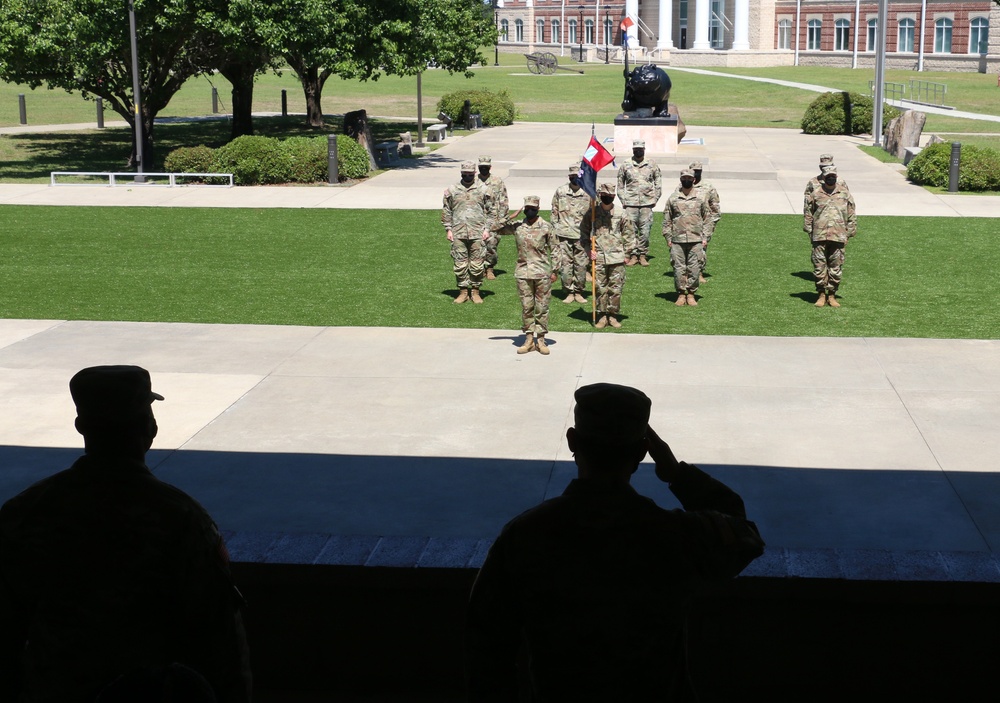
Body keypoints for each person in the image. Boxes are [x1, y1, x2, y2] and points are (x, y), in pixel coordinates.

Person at [466, 383, 765, 702]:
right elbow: (744, 536)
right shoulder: (674, 535)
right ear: (642, 452)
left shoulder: (525, 536)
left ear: (572, 441)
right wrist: (676, 474)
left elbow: (486, 648)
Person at [0, 366, 251, 703]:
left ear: (81, 427)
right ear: (150, 428)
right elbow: (220, 636)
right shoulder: (180, 516)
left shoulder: (25, 511)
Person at [492, 196, 560, 355]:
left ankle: (541, 339)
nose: (530, 211)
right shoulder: (517, 226)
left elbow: (555, 250)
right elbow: (494, 227)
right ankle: (529, 339)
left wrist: (555, 271)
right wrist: (511, 217)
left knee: (541, 307)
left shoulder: (546, 227)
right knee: (527, 307)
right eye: (527, 208)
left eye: (533, 208)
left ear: (538, 209)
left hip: (542, 273)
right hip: (523, 273)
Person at [581, 182, 635, 329]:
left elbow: (629, 234)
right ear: (600, 195)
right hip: (598, 257)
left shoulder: (621, 213)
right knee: (600, 288)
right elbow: (583, 234)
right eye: (604, 195)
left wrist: (628, 254)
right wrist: (588, 250)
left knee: (616, 289)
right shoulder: (592, 213)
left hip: (617, 257)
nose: (607, 198)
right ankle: (602, 315)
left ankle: (613, 315)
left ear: (614, 196)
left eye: (610, 196)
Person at [803, 165, 856, 307]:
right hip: (819, 236)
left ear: (836, 177)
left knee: (836, 267)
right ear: (824, 178)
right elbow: (808, 214)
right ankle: (821, 294)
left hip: (838, 236)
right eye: (828, 176)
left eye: (833, 176)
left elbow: (851, 214)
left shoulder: (845, 193)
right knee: (819, 267)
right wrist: (809, 231)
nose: (831, 178)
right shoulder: (816, 194)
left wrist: (849, 234)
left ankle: (831, 295)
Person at [442, 160, 490, 304]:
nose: (467, 176)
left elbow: (491, 211)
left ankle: (475, 291)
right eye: (465, 174)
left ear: (474, 173)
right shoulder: (452, 189)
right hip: (458, 232)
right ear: (461, 173)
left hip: (478, 232)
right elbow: (446, 210)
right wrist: (448, 229)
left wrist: (487, 229)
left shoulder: (483, 189)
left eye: (470, 174)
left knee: (477, 264)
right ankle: (463, 292)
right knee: (460, 264)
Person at [663, 168, 712, 307]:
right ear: (680, 180)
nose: (687, 180)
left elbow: (707, 219)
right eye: (684, 178)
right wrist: (668, 238)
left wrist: (705, 237)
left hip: (696, 239)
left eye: (689, 178)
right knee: (678, 268)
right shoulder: (673, 198)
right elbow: (667, 219)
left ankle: (691, 294)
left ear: (694, 180)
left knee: (694, 268)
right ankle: (680, 294)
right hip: (677, 240)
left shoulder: (701, 198)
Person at [550, 163, 593, 305]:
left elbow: (594, 215)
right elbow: (554, 213)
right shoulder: (561, 191)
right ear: (569, 177)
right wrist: (555, 230)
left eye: (577, 176)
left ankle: (579, 291)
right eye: (572, 176)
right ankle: (568, 291)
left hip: (582, 237)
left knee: (581, 265)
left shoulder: (588, 192)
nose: (575, 179)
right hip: (563, 235)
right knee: (566, 265)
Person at [616, 138, 662, 267]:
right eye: (636, 150)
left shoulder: (652, 164)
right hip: (630, 203)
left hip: (647, 204)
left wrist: (655, 199)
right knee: (630, 231)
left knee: (645, 232)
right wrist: (623, 200)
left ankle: (642, 255)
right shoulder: (626, 164)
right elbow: (620, 185)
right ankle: (633, 255)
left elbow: (658, 183)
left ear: (644, 150)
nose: (638, 152)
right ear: (633, 150)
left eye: (640, 150)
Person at [477, 156, 509, 281]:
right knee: (477, 245)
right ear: (478, 168)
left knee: (491, 244)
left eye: (486, 167)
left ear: (490, 167)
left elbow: (503, 200)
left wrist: (502, 219)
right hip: (477, 219)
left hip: (493, 219)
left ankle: (489, 268)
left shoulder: (497, 181)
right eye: (481, 167)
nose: (484, 169)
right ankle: (478, 268)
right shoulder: (473, 181)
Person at [688, 160, 721, 283]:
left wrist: (711, 225)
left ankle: (699, 272)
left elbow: (715, 207)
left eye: (698, 171)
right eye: (694, 171)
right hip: (686, 224)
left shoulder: (708, 187)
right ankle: (687, 274)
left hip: (703, 225)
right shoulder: (683, 185)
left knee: (701, 250)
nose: (696, 174)